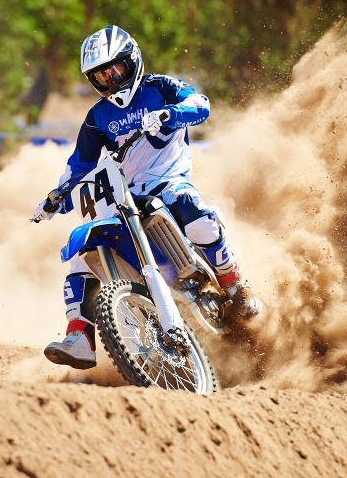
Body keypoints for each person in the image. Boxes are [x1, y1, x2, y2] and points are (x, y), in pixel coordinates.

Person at [32, 25, 261, 369]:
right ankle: (79, 337)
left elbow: (200, 104)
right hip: (124, 196)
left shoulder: (160, 87)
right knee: (82, 253)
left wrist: (172, 113)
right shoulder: (97, 117)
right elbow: (79, 165)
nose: (111, 79)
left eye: (116, 69)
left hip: (169, 183)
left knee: (193, 210)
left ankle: (233, 283)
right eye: (101, 76)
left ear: (132, 61)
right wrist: (56, 198)